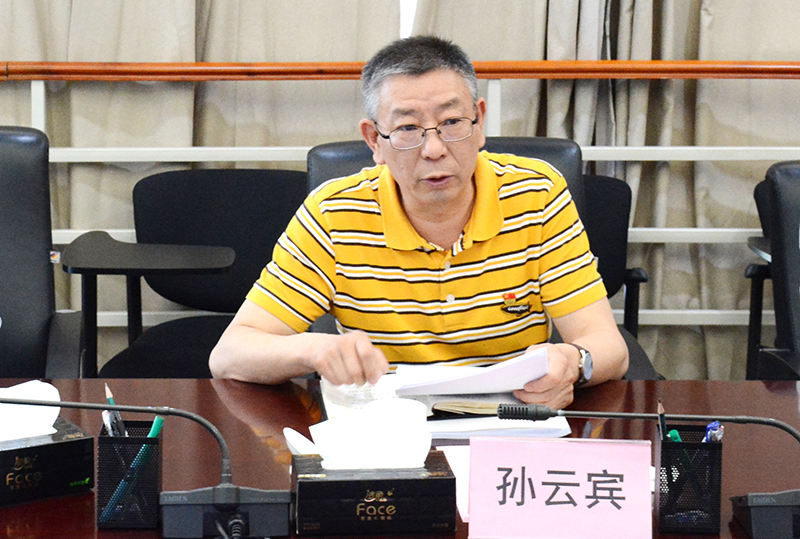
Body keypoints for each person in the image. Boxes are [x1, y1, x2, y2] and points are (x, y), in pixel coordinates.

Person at [210, 36, 629, 409]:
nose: (433, 149)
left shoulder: (536, 194)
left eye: (451, 123)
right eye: (408, 128)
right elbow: (230, 354)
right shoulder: (333, 212)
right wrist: (313, 350)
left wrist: (573, 362)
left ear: (479, 122)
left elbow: (609, 346)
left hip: (510, 420)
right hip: (384, 426)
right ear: (375, 141)